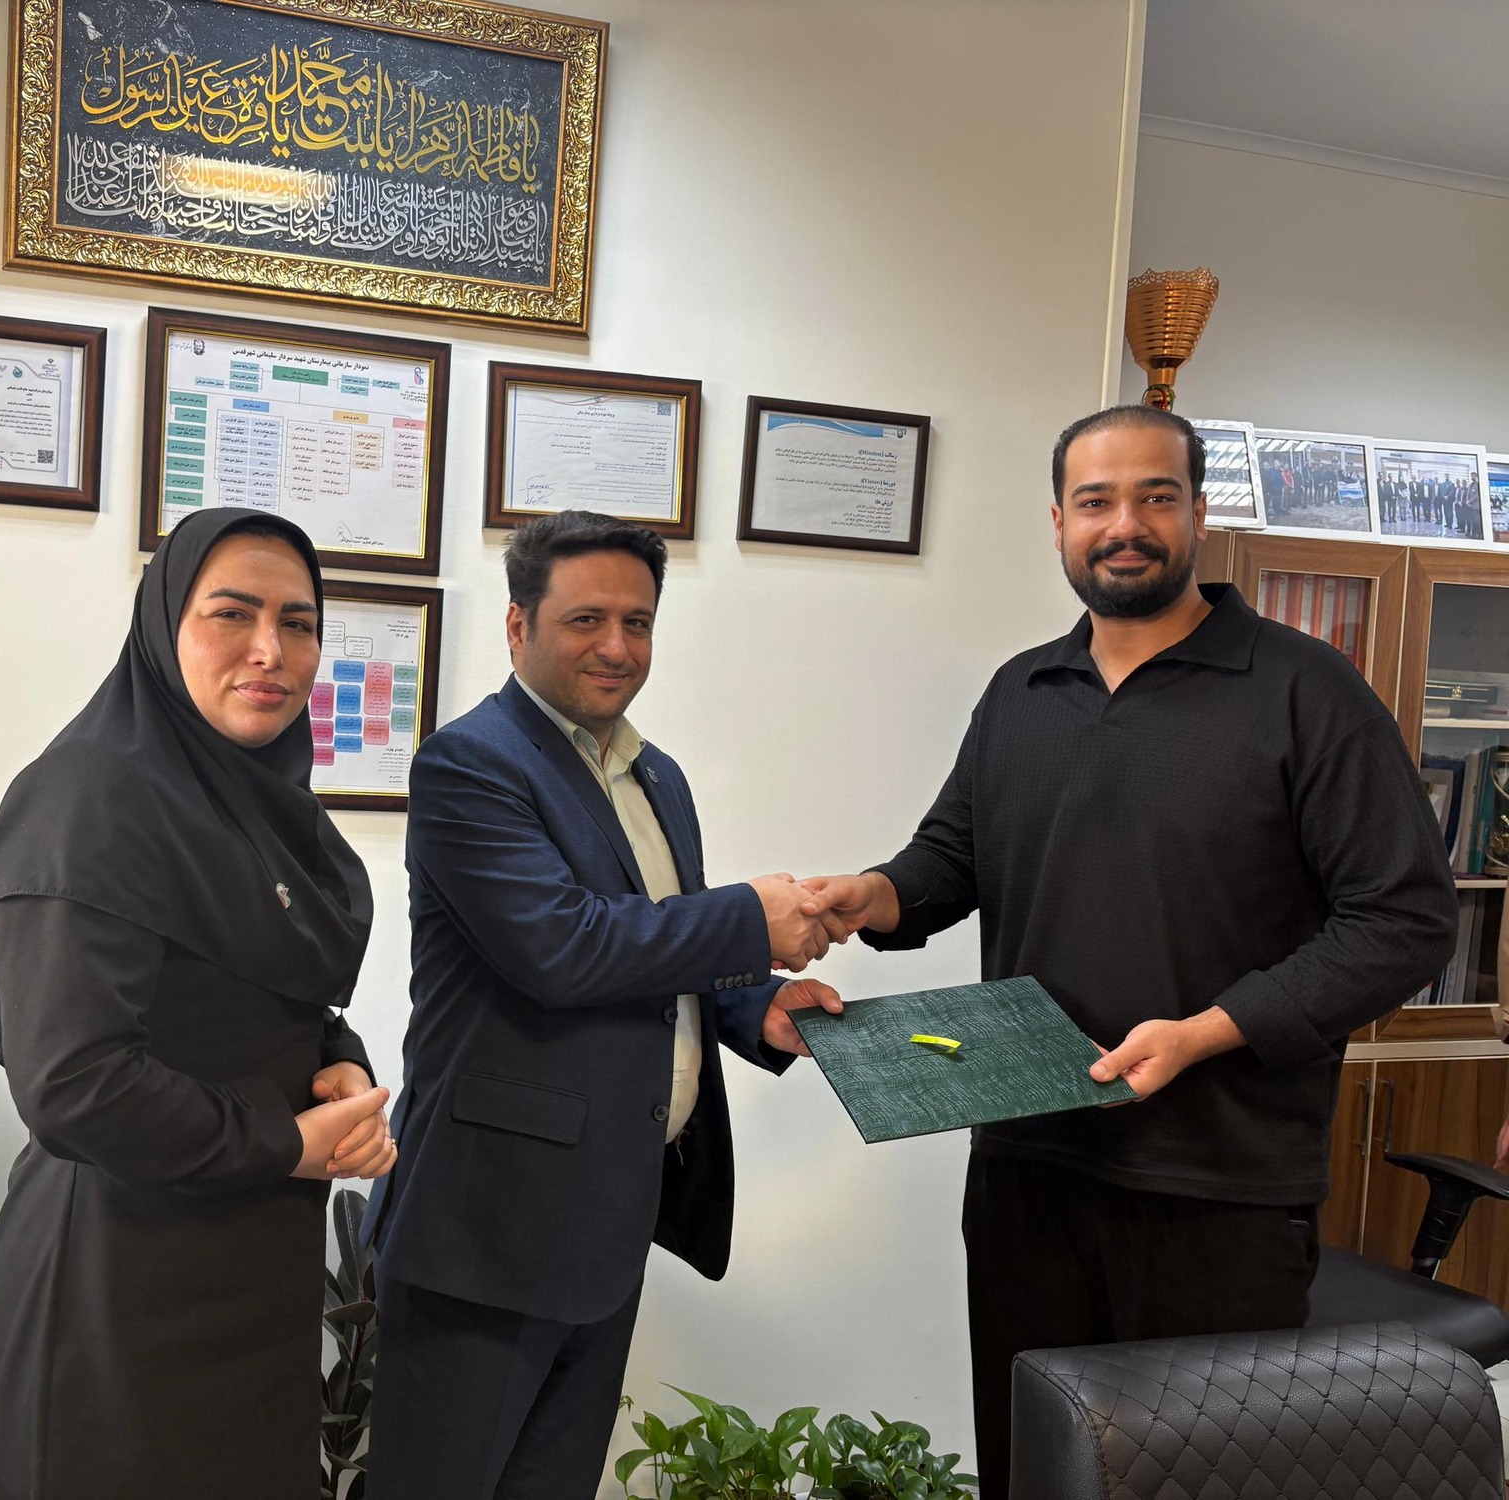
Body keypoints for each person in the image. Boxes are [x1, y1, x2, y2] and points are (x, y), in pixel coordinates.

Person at [799, 405, 1458, 1500]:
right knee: (1036, 1471)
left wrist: (1208, 1032)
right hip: (1029, 1169)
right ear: (1058, 522)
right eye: (1095, 501)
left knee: (1200, 1482)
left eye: (1156, 496)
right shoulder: (1020, 691)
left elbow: (1404, 918)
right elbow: (954, 857)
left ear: (1197, 513)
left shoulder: (1307, 691)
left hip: (1221, 1184)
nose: (1125, 525)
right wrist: (875, 894)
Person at [364, 509, 842, 1500]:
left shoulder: (655, 774)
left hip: (608, 1219)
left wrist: (752, 1006)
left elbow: (657, 944)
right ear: (517, 626)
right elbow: (563, 947)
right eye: (586, 620)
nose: (617, 647)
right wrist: (748, 917)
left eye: (638, 622)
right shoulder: (469, 764)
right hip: (485, 1233)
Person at [0, 507, 397, 1498]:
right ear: (162, 625)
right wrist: (288, 1141)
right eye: (231, 613)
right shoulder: (90, 797)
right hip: (118, 1282)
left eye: (299, 622)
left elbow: (253, 990)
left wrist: (339, 1059)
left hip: (252, 1268)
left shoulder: (259, 804)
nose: (270, 650)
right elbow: (75, 1083)